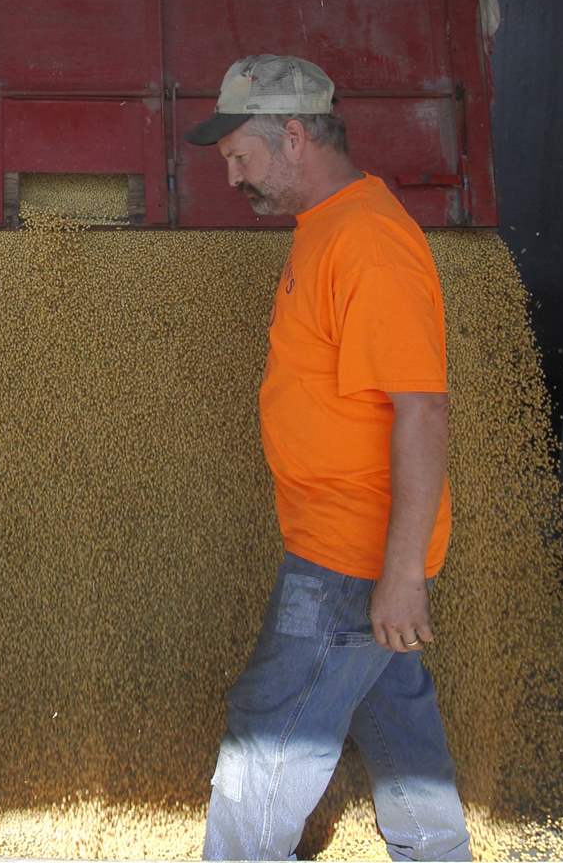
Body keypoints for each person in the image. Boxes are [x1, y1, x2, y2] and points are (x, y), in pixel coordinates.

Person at [186, 55, 471, 862]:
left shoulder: (370, 243)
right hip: (345, 544)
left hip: (350, 555)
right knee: (398, 727)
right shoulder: (331, 229)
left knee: (266, 739)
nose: (233, 176)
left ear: (296, 136)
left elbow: (421, 409)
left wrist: (402, 572)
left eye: (241, 156)